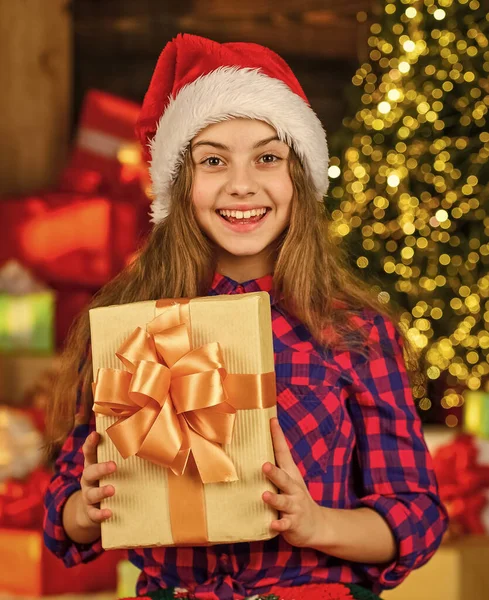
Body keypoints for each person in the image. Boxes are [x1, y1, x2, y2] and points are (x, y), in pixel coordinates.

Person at [44, 33, 448, 600]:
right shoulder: (127, 325)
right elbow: (61, 512)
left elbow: (417, 517)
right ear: (181, 184)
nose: (241, 183)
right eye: (213, 160)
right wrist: (84, 509)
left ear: (298, 176)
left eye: (267, 157)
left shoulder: (355, 332)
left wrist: (316, 523)